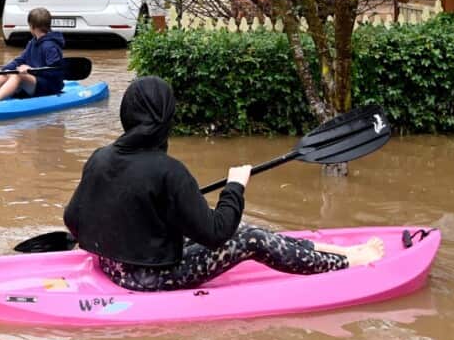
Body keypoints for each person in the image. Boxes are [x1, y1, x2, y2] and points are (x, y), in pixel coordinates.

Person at [62, 76, 384, 292]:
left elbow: (72, 220)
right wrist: (235, 187)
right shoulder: (169, 171)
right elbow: (217, 233)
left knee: (243, 228)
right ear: (166, 118)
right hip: (148, 279)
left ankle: (324, 249)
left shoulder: (100, 156)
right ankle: (345, 262)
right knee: (251, 237)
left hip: (111, 267)